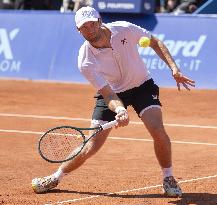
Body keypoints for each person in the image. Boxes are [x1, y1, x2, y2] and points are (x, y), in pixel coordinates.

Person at [31, 6, 195, 197]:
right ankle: (56, 177)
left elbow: (154, 41)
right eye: (84, 27)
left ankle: (168, 177)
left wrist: (173, 68)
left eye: (92, 23)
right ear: (78, 30)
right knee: (91, 145)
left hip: (142, 85)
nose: (90, 29)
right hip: (114, 93)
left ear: (99, 21)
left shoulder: (123, 29)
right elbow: (108, 94)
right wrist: (119, 110)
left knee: (157, 129)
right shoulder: (85, 60)